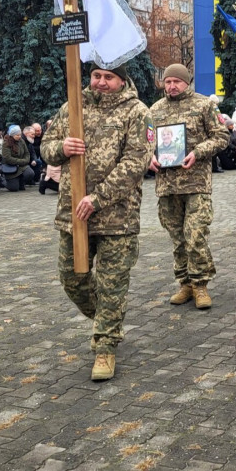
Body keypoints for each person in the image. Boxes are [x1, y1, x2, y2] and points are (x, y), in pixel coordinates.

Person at [40, 61, 152, 383]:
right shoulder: (72, 106)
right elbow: (48, 147)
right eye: (97, 76)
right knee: (71, 279)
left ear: (122, 80)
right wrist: (61, 147)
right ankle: (107, 317)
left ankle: (105, 346)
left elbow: (136, 162)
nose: (101, 82)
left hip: (116, 216)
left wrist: (97, 198)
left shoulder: (137, 111)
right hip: (72, 213)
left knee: (112, 283)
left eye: (109, 77)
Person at [148, 63, 229, 310]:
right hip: (167, 186)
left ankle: (200, 284)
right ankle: (184, 283)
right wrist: (148, 157)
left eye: (177, 82)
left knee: (195, 235)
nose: (171, 86)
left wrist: (198, 151)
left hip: (195, 183)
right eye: (168, 81)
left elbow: (222, 136)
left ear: (187, 82)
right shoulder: (155, 110)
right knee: (178, 238)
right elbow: (144, 142)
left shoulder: (204, 105)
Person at [0, 125, 35, 191]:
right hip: (11, 167)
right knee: (14, 188)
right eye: (17, 135)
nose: (19, 137)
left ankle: (21, 182)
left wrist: (26, 160)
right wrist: (22, 161)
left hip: (22, 166)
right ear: (12, 135)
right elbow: (8, 158)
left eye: (20, 135)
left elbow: (27, 153)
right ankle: (2, 181)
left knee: (30, 173)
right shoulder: (6, 143)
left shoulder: (21, 141)